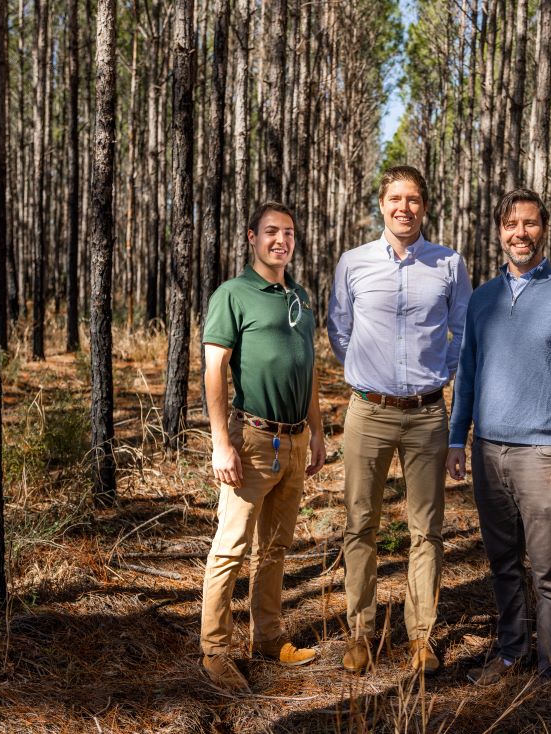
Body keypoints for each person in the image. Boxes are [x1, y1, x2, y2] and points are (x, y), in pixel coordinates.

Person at [446, 188, 551, 685]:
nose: (521, 233)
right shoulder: (483, 300)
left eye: (530, 224)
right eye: (511, 224)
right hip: (489, 451)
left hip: (543, 454)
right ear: (499, 231)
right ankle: (512, 654)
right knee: (503, 565)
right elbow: (467, 372)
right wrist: (457, 439)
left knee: (550, 572)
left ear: (544, 229)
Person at [327, 165, 472, 675]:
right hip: (368, 412)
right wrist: (368, 376)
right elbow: (339, 329)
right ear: (381, 203)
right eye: (394, 198)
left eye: (412, 198)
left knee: (426, 531)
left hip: (427, 414)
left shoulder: (449, 264)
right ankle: (360, 633)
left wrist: (439, 380)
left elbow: (463, 334)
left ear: (424, 206)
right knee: (359, 524)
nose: (403, 207)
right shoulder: (354, 263)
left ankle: (422, 637)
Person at [199, 202, 326, 693]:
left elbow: (308, 369)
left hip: (294, 441)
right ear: (251, 237)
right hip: (251, 440)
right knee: (231, 547)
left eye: (289, 233)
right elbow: (214, 368)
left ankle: (268, 639)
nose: (281, 240)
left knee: (275, 548)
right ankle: (214, 650)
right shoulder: (233, 294)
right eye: (271, 232)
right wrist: (220, 442)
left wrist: (316, 431)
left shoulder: (300, 297)